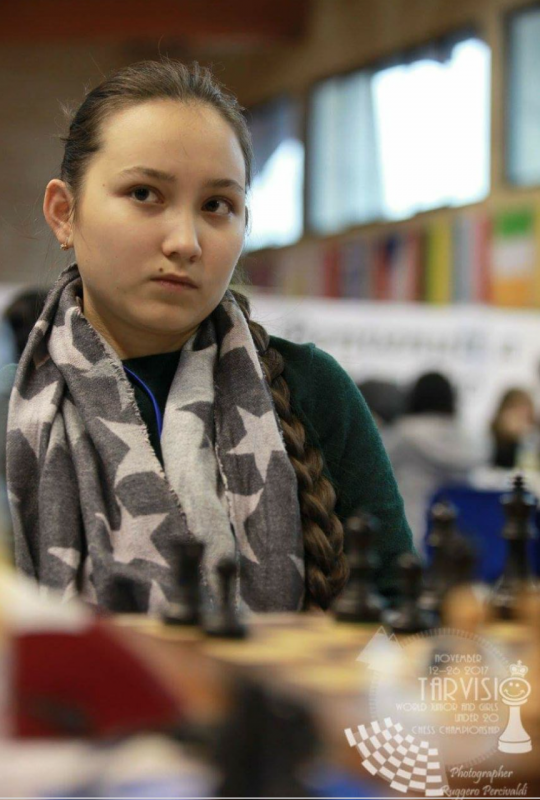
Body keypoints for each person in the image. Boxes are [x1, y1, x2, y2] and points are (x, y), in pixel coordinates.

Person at [3, 60, 412, 615]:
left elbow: (401, 621)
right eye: (144, 193)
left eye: (217, 206)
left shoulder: (313, 390)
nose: (185, 241)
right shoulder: (9, 411)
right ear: (63, 213)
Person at [385, 371, 486, 553]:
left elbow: (376, 471)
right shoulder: (471, 441)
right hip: (463, 544)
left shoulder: (404, 434)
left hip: (411, 535)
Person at [489, 388, 536, 469]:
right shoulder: (494, 435)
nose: (520, 415)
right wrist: (509, 437)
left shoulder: (533, 434)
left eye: (524, 409)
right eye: (516, 409)